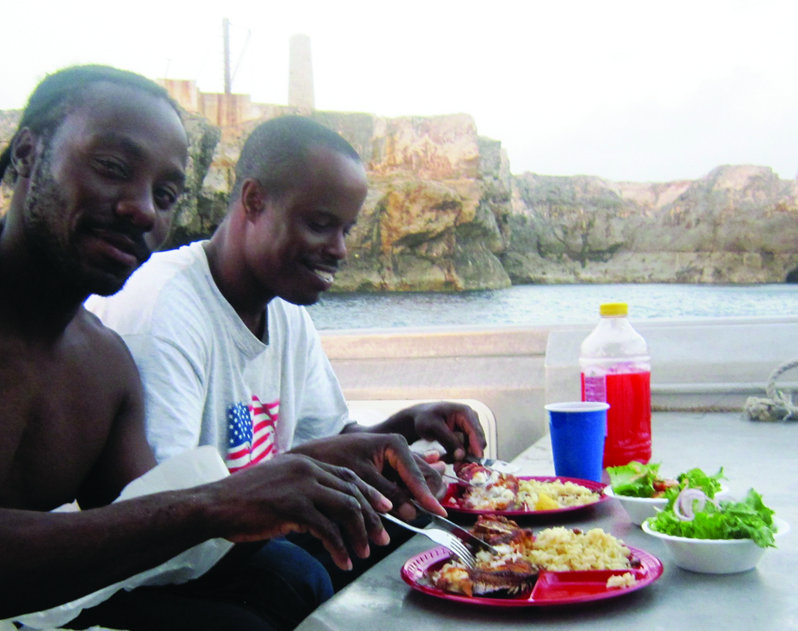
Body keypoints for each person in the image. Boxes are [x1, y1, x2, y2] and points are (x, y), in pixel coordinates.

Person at [0, 66, 444, 631]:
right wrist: (215, 502)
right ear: (27, 153)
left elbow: (150, 539)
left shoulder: (103, 364)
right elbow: (180, 513)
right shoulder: (154, 316)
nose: (143, 211)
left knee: (311, 574)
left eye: (165, 195)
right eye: (112, 168)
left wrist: (340, 458)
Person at [86, 115, 488, 584]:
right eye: (320, 225)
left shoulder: (284, 309)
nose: (339, 250)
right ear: (255, 201)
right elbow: (158, 513)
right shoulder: (163, 309)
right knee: (295, 578)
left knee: (417, 524)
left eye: (347, 231)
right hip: (160, 562)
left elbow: (330, 438)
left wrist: (409, 423)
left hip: (238, 538)